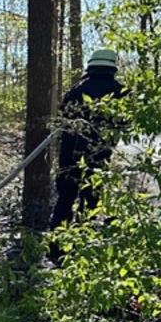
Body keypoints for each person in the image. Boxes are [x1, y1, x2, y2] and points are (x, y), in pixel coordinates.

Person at [49, 49, 126, 236]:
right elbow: (128, 126)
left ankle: (57, 245)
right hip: (100, 157)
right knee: (90, 199)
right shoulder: (121, 91)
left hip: (70, 155)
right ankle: (83, 244)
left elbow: (61, 120)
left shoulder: (76, 89)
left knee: (65, 198)